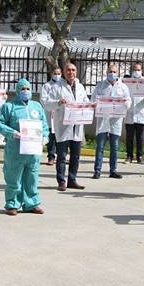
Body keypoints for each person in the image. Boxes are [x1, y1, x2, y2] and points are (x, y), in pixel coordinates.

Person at [0, 79, 49, 215]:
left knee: (32, 177)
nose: (25, 91)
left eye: (28, 89)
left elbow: (44, 124)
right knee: (13, 177)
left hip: (33, 151)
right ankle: (12, 204)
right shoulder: (9, 107)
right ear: (17, 91)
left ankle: (31, 203)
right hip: (15, 150)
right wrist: (12, 133)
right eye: (22, 89)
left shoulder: (37, 106)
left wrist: (45, 137)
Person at [43, 62, 89, 191]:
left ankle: (72, 180)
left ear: (76, 72)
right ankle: (61, 181)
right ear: (64, 72)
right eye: (68, 70)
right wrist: (58, 102)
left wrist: (91, 105)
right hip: (63, 126)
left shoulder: (80, 87)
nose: (71, 72)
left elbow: (85, 101)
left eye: (73, 70)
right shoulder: (57, 87)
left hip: (77, 126)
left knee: (75, 156)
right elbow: (46, 104)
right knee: (62, 156)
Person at [91, 64, 131, 179]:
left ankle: (113, 170)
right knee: (100, 146)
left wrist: (126, 104)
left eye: (114, 72)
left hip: (116, 120)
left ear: (117, 73)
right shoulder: (100, 86)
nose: (112, 74)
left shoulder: (123, 87)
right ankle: (97, 171)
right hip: (102, 120)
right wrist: (96, 104)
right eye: (110, 71)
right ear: (106, 72)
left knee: (115, 147)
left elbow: (128, 100)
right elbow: (93, 99)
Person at [124, 62, 144, 164]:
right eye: (135, 70)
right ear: (132, 71)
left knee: (140, 138)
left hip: (141, 112)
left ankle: (140, 156)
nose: (137, 72)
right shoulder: (127, 82)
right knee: (129, 137)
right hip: (130, 113)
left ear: (142, 71)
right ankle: (129, 156)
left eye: (138, 70)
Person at [40, 67, 62, 165]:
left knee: (61, 137)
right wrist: (52, 106)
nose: (57, 75)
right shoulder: (47, 86)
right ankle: (51, 156)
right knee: (51, 137)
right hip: (50, 114)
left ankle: (61, 156)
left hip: (61, 113)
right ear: (52, 74)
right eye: (55, 73)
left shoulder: (63, 85)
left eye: (58, 73)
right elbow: (43, 100)